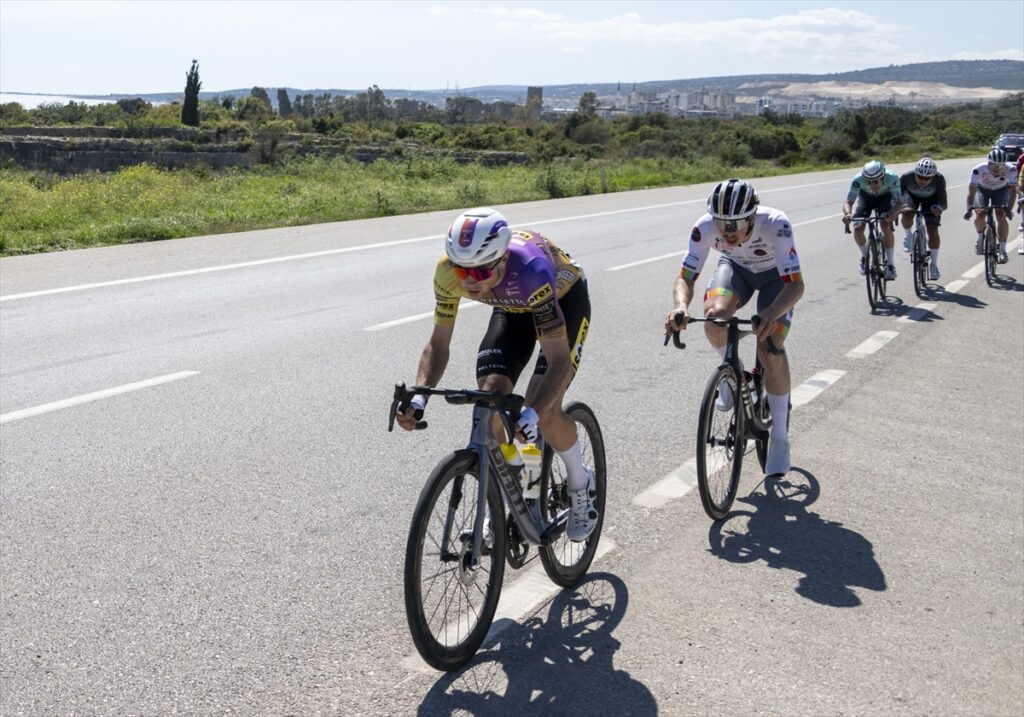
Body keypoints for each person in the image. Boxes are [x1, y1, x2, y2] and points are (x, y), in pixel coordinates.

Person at [394, 207, 598, 541]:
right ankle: (512, 494)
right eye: (462, 272)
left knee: (542, 413)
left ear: (502, 259)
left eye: (478, 274)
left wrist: (534, 412)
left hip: (561, 301)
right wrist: (420, 395)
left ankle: (580, 482)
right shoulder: (447, 273)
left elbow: (559, 361)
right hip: (511, 306)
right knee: (491, 401)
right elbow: (439, 344)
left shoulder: (531, 270)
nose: (469, 283)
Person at [664, 178, 804, 477]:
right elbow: (685, 276)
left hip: (776, 279)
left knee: (770, 347)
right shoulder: (705, 227)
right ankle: (733, 374)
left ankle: (779, 436)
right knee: (715, 317)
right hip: (736, 269)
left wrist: (770, 312)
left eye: (736, 223)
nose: (727, 232)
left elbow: (795, 286)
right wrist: (680, 306)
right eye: (721, 223)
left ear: (752, 216)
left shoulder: (776, 224)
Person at [842, 160, 902, 280]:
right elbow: (848, 202)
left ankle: (890, 264)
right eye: (868, 182)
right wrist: (848, 214)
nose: (872, 185)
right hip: (866, 199)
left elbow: (899, 201)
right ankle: (865, 257)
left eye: (876, 182)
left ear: (883, 177)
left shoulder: (893, 178)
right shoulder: (857, 180)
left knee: (885, 225)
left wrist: (894, 213)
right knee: (858, 228)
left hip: (885, 199)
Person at [966, 147, 1019, 264]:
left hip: (1001, 190)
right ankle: (979, 238)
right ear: (988, 163)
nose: (997, 169)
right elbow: (971, 191)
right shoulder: (978, 170)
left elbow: (1013, 191)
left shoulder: (1012, 170)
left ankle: (1003, 250)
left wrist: (1009, 209)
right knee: (980, 213)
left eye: (1001, 166)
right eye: (994, 165)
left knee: (1000, 215)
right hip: (982, 190)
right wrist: (969, 208)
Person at [899, 157, 948, 280]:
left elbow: (943, 202)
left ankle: (934, 265)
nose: (923, 180)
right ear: (915, 173)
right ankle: (908, 235)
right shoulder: (906, 177)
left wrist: (939, 208)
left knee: (932, 229)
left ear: (933, 177)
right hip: (911, 197)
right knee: (907, 213)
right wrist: (896, 210)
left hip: (932, 200)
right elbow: (898, 197)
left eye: (927, 178)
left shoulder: (939, 179)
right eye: (920, 177)